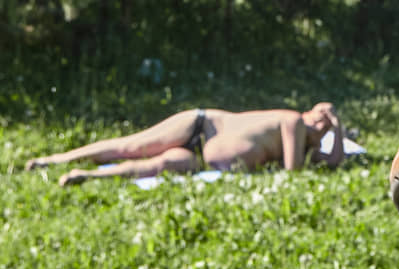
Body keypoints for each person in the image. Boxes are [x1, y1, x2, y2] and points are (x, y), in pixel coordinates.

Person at [25, 102, 346, 186]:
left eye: (325, 123)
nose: (319, 122)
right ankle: (55, 159)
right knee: (132, 146)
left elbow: (333, 163)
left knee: (159, 166)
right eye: (317, 114)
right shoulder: (292, 122)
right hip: (203, 126)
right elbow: (292, 172)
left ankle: (87, 176)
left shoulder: (310, 146)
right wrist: (320, 128)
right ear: (306, 112)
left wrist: (338, 128)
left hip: (205, 160)